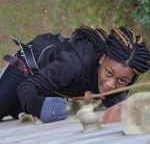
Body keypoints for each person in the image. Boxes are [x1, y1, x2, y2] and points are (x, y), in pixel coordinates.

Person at [0, 26, 149, 123]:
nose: (111, 84)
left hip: (55, 83)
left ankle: (16, 107)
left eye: (122, 81)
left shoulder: (123, 82)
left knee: (16, 109)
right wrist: (40, 107)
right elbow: (27, 86)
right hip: (28, 69)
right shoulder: (75, 64)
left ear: (130, 79)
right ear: (102, 58)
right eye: (108, 73)